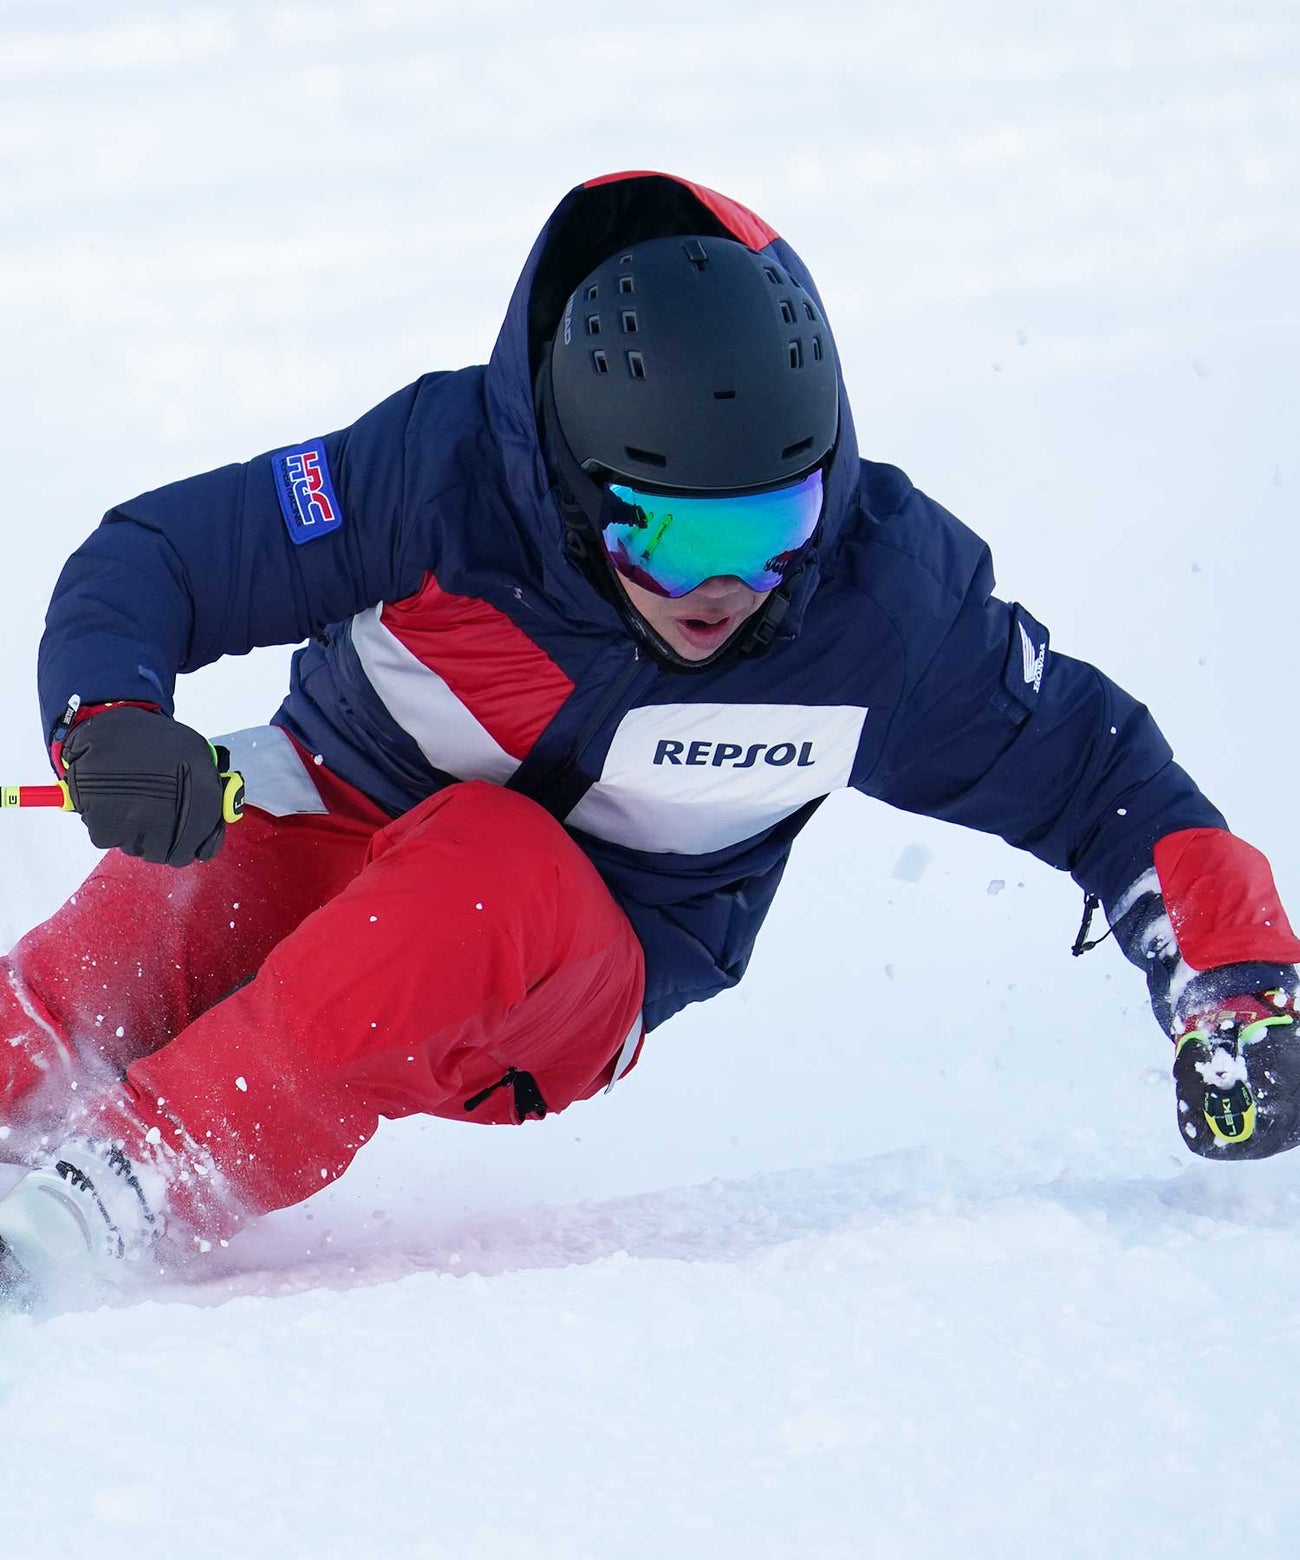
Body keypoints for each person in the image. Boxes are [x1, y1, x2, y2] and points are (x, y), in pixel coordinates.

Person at [1, 169, 1297, 1309]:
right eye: (671, 536)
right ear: (572, 485)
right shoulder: (443, 472)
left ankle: (122, 1186)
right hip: (334, 808)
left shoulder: (881, 613)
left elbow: (1106, 783)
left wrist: (1235, 984)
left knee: (478, 874)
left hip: (563, 967)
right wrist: (110, 719)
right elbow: (164, 557)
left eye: (772, 526)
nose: (724, 589)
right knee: (144, 937)